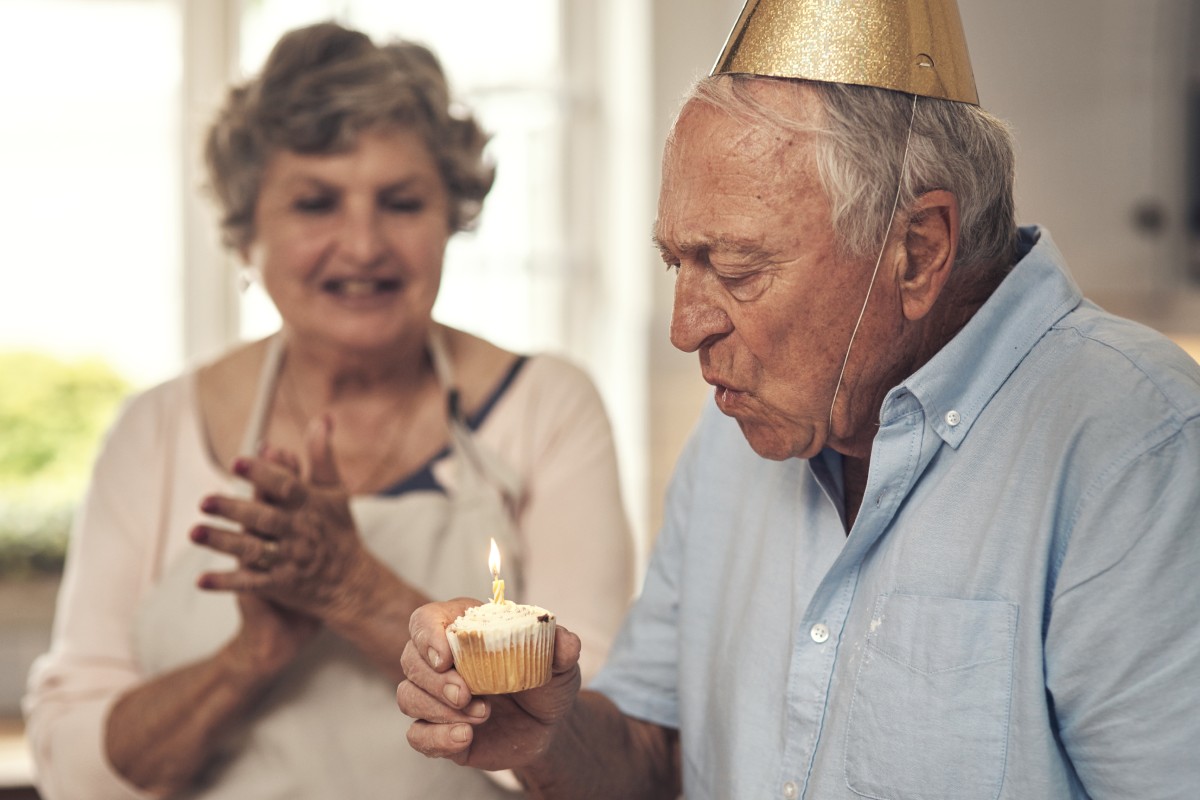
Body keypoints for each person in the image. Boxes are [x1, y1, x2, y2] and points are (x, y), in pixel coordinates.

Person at [396, 1, 1200, 798]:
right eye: (678, 263)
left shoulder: (1138, 449)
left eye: (738, 269)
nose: (686, 329)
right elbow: (656, 762)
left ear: (918, 251)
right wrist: (549, 735)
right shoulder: (736, 434)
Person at [22, 21, 635, 800]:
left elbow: (595, 756)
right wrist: (246, 661)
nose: (362, 244)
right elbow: (77, 766)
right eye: (316, 203)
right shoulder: (157, 434)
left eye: (402, 202)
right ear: (248, 232)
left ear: (452, 216)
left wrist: (351, 588)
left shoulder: (547, 408)